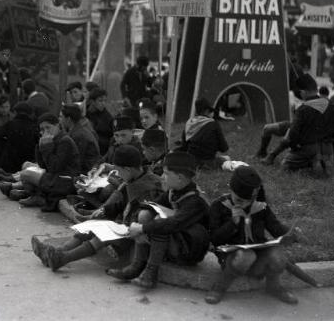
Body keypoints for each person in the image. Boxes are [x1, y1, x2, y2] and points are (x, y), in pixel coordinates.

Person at [31, 144, 162, 272]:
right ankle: (57, 251)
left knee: (101, 235)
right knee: (91, 227)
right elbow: (122, 204)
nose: (119, 175)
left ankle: (62, 258)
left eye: (119, 171)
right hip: (124, 224)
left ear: (128, 169)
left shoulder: (149, 186)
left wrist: (116, 224)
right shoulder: (135, 178)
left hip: (137, 233)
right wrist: (104, 211)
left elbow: (143, 214)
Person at [107, 151, 210, 288]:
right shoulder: (174, 190)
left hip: (189, 250)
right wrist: (138, 225)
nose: (162, 177)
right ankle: (137, 265)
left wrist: (142, 229)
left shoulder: (196, 200)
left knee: (161, 225)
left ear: (179, 178)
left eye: (166, 174)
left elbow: (173, 224)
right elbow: (152, 205)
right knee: (145, 214)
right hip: (177, 240)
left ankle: (150, 274)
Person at [206, 165, 299, 305]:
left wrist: (292, 234)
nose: (243, 204)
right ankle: (219, 287)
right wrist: (233, 223)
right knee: (246, 255)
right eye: (238, 200)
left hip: (258, 257)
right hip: (233, 258)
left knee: (278, 255)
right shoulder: (219, 206)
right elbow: (214, 239)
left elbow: (275, 228)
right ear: (231, 189)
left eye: (247, 201)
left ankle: (273, 287)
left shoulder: (260, 207)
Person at [14, 112, 81, 209]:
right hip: (55, 176)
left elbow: (54, 167)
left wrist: (46, 147)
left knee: (25, 174)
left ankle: (37, 195)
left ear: (57, 125)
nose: (45, 132)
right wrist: (40, 145)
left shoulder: (65, 141)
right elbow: (43, 165)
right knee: (26, 165)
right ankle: (36, 195)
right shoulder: (53, 139)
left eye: (48, 127)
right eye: (42, 129)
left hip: (66, 181)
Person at [282, 74, 334, 175]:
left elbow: (294, 132)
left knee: (285, 165)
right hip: (327, 147)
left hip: (309, 148)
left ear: (303, 92)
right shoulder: (331, 105)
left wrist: (293, 146)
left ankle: (310, 164)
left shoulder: (303, 109)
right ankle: (319, 163)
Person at [178, 97, 229, 169]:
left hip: (191, 162)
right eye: (211, 111)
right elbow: (224, 148)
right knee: (226, 158)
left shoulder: (189, 123)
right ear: (207, 110)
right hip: (208, 162)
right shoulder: (213, 124)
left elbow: (184, 146)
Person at [0, 101, 39, 178]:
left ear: (16, 112)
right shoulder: (34, 126)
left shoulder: (11, 124)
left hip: (11, 164)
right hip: (29, 161)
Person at [60, 103, 100, 173]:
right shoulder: (79, 129)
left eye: (61, 117)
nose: (59, 120)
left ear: (68, 119)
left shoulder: (78, 135)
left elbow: (76, 161)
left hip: (88, 172)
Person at [86, 88, 114, 155]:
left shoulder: (108, 117)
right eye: (100, 101)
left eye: (105, 101)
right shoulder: (84, 113)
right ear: (92, 101)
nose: (103, 103)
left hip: (102, 151)